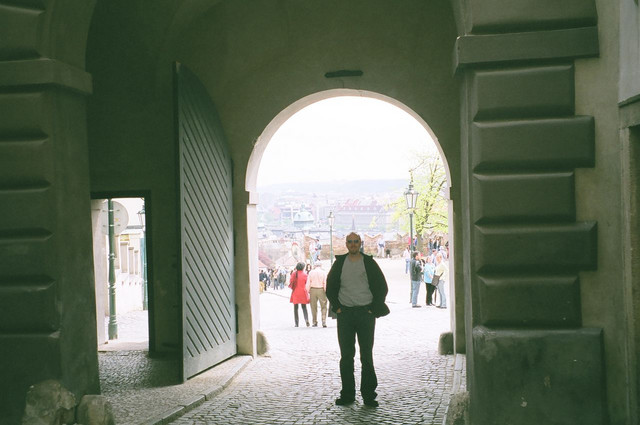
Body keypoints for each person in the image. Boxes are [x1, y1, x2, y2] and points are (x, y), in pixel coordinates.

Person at [326, 232, 390, 407]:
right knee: (346, 356)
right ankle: (347, 394)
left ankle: (369, 395)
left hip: (365, 314)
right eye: (350, 241)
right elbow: (330, 286)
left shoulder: (368, 263)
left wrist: (372, 308)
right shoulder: (340, 263)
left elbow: (382, 286)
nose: (353, 244)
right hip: (345, 314)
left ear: (360, 243)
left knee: (366, 355)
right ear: (346, 244)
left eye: (356, 241)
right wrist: (337, 307)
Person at [306, 261, 328, 327]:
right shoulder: (323, 272)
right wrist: (326, 290)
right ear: (321, 266)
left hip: (313, 289)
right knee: (323, 306)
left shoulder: (311, 272)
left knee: (313, 307)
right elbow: (325, 282)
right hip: (321, 289)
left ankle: (314, 321)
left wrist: (308, 290)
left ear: (315, 266)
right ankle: (323, 320)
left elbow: (308, 282)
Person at [289, 262, 310, 327]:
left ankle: (296, 323)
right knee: (304, 307)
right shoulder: (305, 274)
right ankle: (306, 319)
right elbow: (307, 283)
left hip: (295, 292)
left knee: (295, 308)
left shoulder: (294, 274)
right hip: (303, 292)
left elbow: (291, 282)